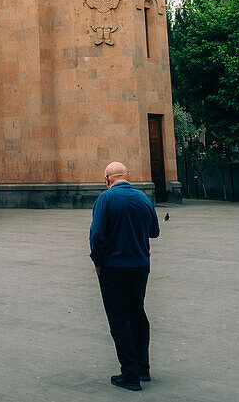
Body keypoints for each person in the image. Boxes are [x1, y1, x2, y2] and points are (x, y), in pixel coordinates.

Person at [89, 161, 160, 392]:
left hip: (113, 267)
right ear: (127, 176)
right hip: (140, 266)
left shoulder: (105, 199)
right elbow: (154, 232)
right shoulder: (143, 198)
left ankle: (129, 374)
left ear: (107, 179)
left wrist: (98, 262)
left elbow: (97, 234)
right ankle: (143, 368)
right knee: (138, 315)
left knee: (120, 319)